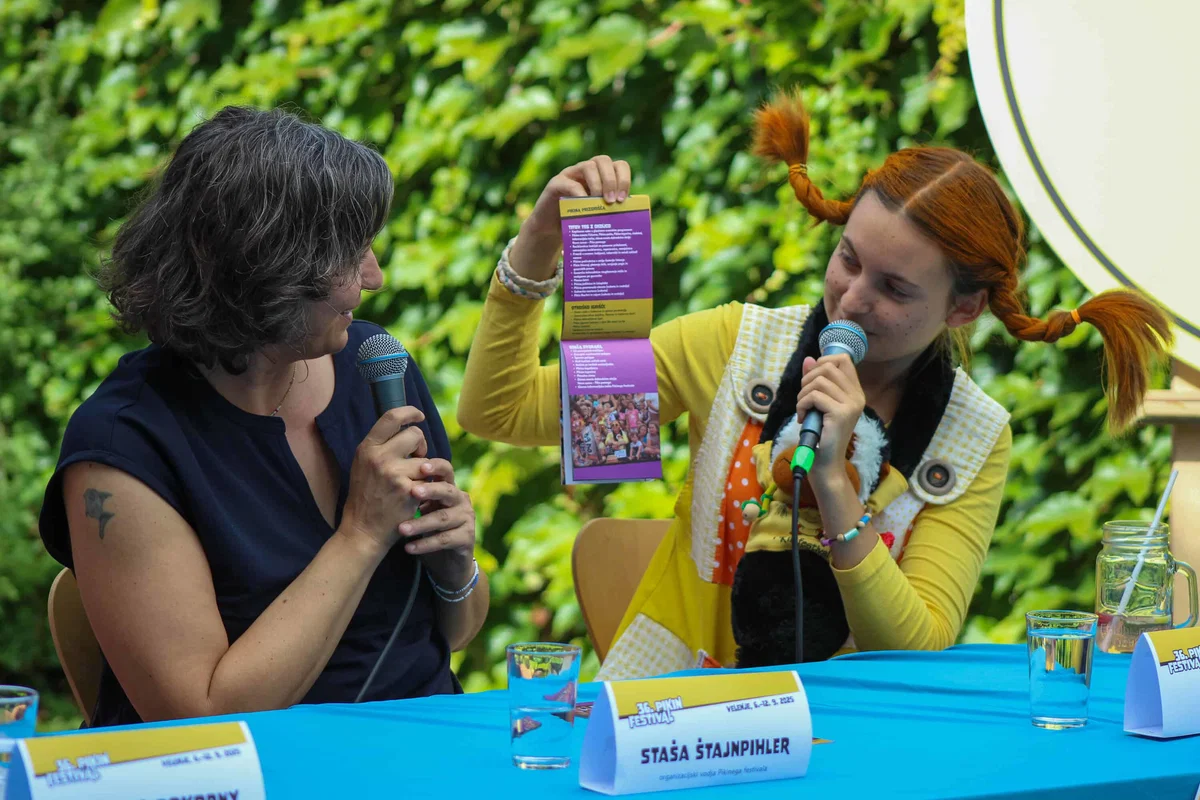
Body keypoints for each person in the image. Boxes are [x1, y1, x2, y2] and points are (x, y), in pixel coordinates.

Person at [457, 88, 1171, 679]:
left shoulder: (974, 434)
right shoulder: (738, 347)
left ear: (963, 308)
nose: (852, 299)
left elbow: (916, 649)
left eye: (893, 288)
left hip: (849, 745)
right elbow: (501, 412)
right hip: (668, 722)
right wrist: (537, 249)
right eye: (848, 259)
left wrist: (835, 488)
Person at [39, 106, 487, 726]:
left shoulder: (375, 366)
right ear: (265, 270)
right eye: (349, 255)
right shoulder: (124, 447)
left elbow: (455, 634)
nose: (375, 278)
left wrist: (455, 565)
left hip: (423, 745)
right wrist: (359, 535)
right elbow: (199, 718)